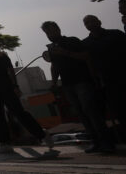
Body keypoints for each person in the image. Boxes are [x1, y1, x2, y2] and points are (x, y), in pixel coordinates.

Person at [41, 21, 115, 153]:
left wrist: (65, 52)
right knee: (81, 113)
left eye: (51, 31)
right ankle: (95, 141)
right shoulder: (51, 48)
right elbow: (54, 65)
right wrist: (53, 82)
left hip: (82, 80)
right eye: (47, 32)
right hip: (67, 84)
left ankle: (106, 141)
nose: (50, 34)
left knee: (90, 110)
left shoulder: (72, 41)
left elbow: (86, 56)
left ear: (58, 29)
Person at [0, 36, 50, 153]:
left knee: (18, 112)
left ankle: (42, 135)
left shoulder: (2, 56)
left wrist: (15, 86)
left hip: (6, 86)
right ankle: (4, 142)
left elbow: (10, 71)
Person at [82, 14, 126, 142]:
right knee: (119, 111)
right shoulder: (86, 43)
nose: (90, 24)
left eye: (92, 21)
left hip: (123, 75)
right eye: (86, 23)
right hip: (106, 82)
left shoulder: (116, 34)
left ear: (99, 21)